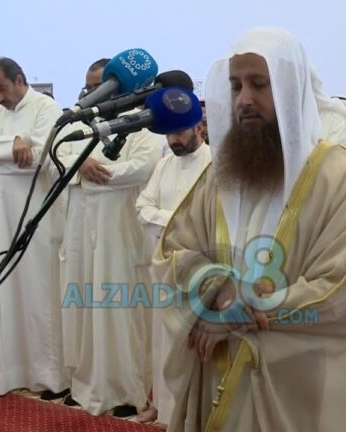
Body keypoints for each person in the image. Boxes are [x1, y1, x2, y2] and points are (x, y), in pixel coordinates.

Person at [153, 27, 346, 432]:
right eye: (235, 86)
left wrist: (243, 312)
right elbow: (173, 250)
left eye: (258, 84)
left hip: (295, 382)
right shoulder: (220, 177)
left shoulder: (343, 176)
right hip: (217, 366)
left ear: (289, 88)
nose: (243, 99)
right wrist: (219, 288)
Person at [55, 59, 164, 417]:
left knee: (118, 311)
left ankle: (125, 391)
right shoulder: (84, 123)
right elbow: (61, 157)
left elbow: (141, 168)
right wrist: (82, 167)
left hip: (119, 230)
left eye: (100, 86)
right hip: (80, 225)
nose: (93, 93)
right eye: (89, 87)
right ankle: (85, 383)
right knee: (81, 306)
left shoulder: (144, 124)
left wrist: (87, 170)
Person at [0, 57, 68, 397]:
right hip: (1, 211)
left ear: (20, 79)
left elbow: (41, 156)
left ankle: (47, 374)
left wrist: (2, 157)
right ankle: (8, 371)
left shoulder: (45, 107)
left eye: (2, 88)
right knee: (5, 284)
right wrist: (13, 144)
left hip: (36, 209)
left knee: (38, 288)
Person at [134, 122, 211, 425]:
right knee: (161, 338)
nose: (172, 140)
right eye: (168, 134)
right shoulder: (164, 164)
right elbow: (142, 206)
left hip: (197, 267)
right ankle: (160, 406)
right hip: (162, 264)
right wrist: (176, 221)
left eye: (179, 132)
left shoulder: (213, 165)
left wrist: (165, 221)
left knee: (185, 342)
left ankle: (185, 412)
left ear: (199, 128)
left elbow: (203, 221)